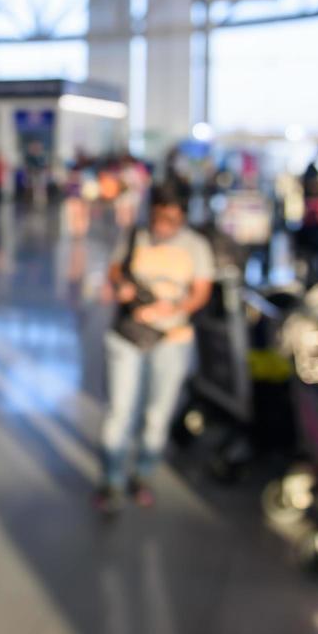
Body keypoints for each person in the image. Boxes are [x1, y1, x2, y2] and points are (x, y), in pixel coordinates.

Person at [95, 182, 215, 513]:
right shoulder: (135, 236)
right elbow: (116, 268)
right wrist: (122, 287)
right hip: (129, 333)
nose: (164, 226)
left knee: (157, 413)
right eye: (160, 217)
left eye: (172, 219)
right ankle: (112, 480)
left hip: (172, 338)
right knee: (120, 410)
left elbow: (201, 292)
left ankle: (144, 473)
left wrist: (173, 309)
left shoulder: (196, 246)